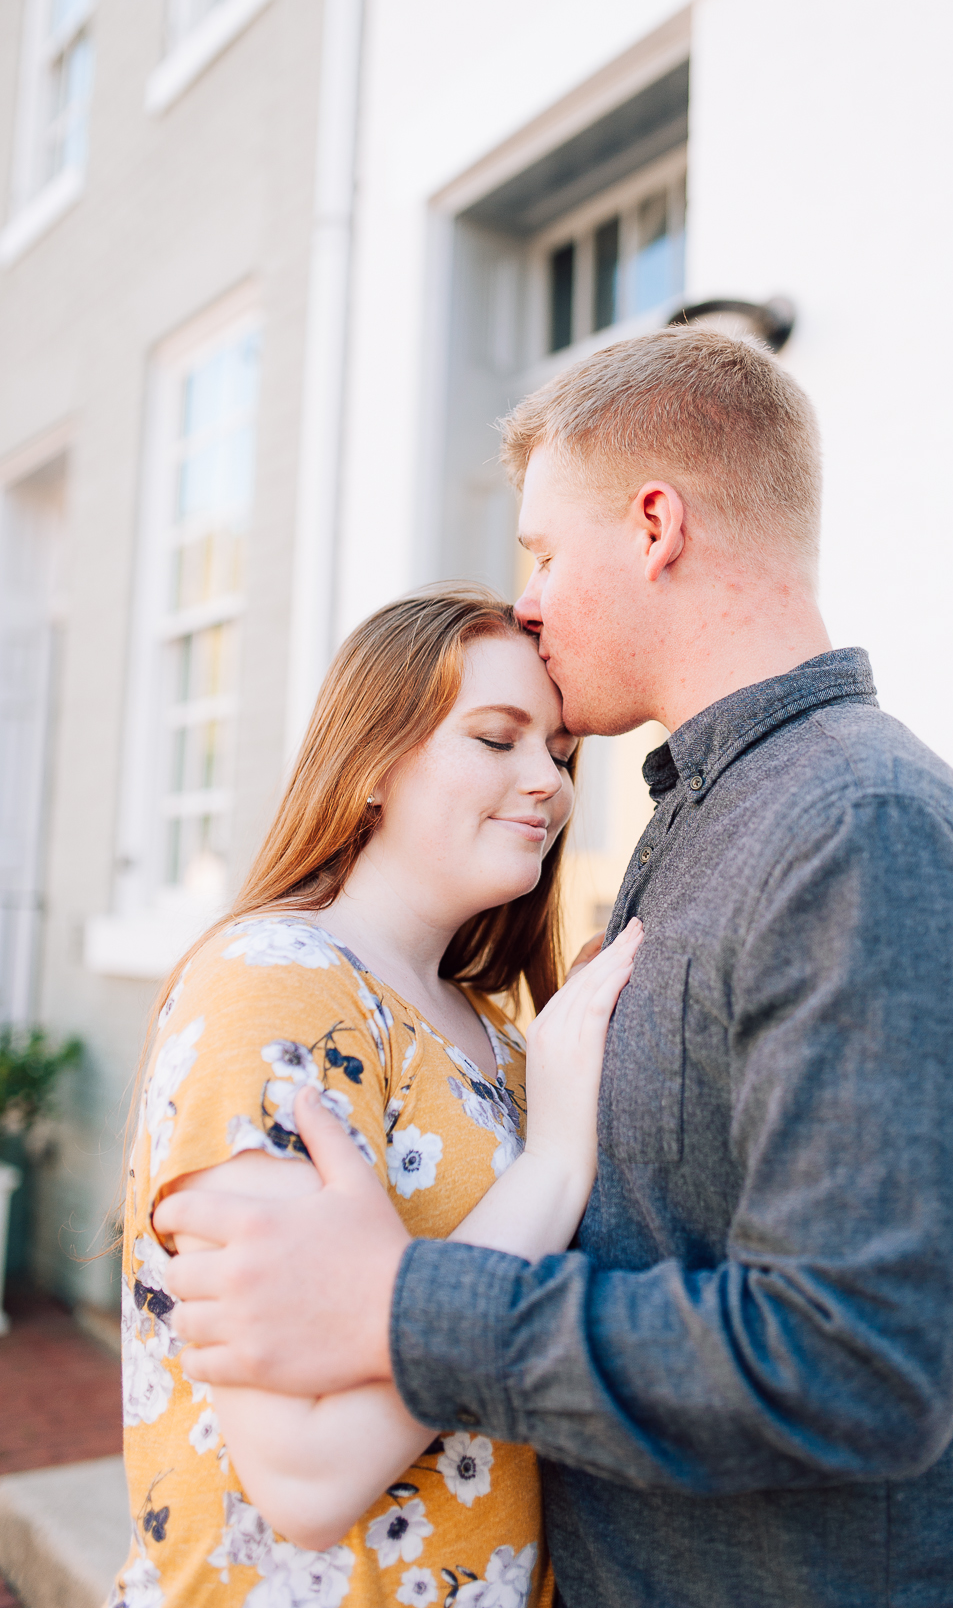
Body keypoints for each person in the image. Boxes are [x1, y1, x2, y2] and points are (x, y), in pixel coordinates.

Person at [158, 329, 953, 1608]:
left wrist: (402, 1298)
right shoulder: (714, 823)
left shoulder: (856, 830)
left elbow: (858, 1363)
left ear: (656, 525)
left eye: (540, 550)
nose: (525, 598)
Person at [112, 588, 642, 1608]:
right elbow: (304, 1473)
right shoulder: (271, 981)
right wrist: (559, 1160)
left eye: (561, 751)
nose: (549, 783)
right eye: (497, 738)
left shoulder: (494, 1030)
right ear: (370, 764)